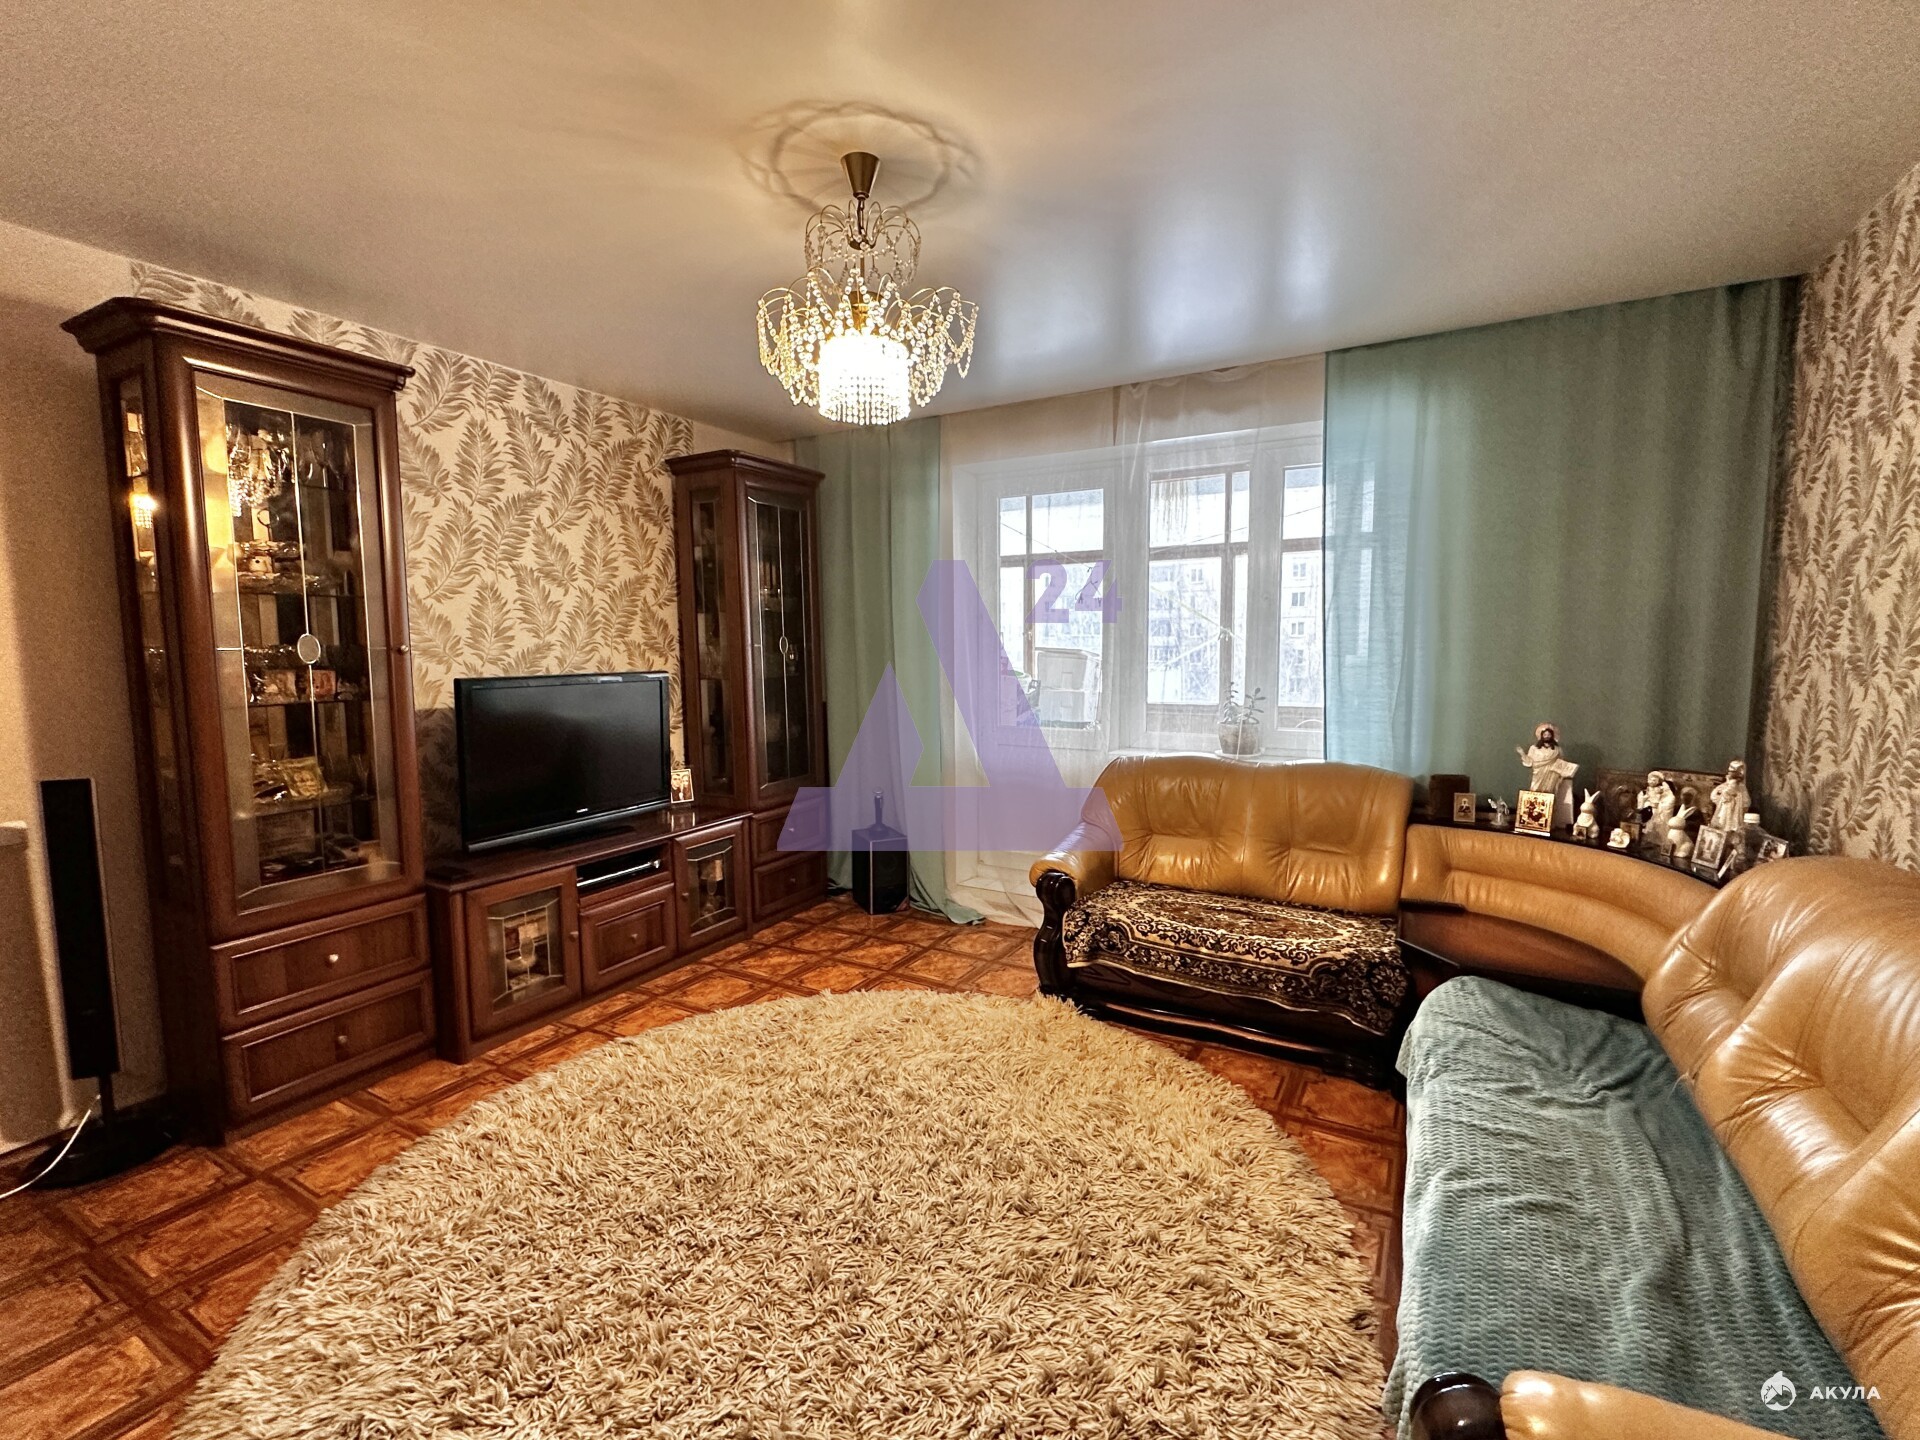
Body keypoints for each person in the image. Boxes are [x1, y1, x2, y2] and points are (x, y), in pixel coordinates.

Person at [1709, 759, 1750, 832]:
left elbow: (1746, 803)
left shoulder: (1741, 788)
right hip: (1724, 813)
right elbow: (1714, 796)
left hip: (1734, 817)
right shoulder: (1724, 786)